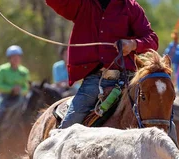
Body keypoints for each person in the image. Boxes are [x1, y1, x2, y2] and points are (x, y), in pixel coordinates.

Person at [45, 0, 158, 128]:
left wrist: (133, 44)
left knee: (162, 123)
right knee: (67, 128)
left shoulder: (131, 7)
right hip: (95, 81)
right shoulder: (83, 4)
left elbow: (152, 39)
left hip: (129, 81)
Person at [0, 45, 30, 151]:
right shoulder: (2, 70)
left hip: (20, 98)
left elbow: (27, 87)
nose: (16, 59)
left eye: (18, 56)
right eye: (13, 57)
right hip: (5, 98)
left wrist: (20, 90)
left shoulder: (24, 71)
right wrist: (11, 89)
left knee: (30, 114)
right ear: (9, 58)